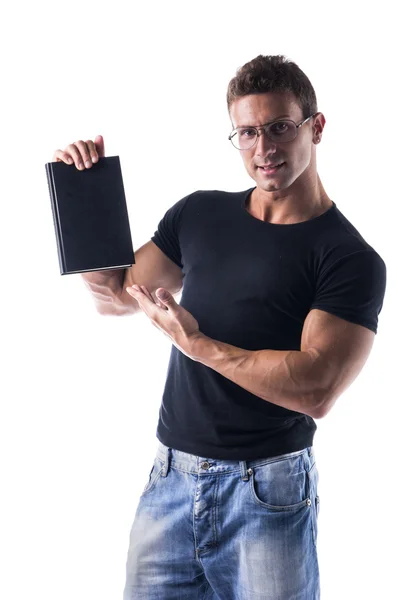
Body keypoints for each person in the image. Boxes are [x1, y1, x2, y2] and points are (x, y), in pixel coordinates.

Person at [52, 54, 386, 600]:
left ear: (316, 126)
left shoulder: (347, 257)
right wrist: (83, 197)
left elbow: (317, 388)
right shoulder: (200, 214)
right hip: (169, 482)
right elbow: (115, 296)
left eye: (280, 127)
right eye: (248, 132)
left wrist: (196, 344)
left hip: (266, 490)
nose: (264, 148)